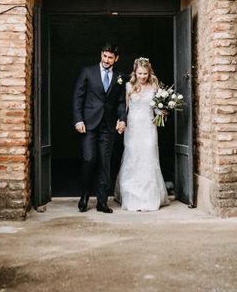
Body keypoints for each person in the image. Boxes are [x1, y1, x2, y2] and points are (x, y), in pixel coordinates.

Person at [72, 42, 127, 213]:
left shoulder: (120, 76)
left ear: (116, 59)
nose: (106, 60)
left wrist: (122, 119)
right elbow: (77, 97)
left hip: (108, 126)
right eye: (104, 56)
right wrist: (78, 119)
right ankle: (85, 196)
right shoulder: (87, 72)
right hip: (88, 125)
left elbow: (121, 102)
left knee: (105, 163)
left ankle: (102, 202)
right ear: (101, 55)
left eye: (110, 57)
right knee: (89, 159)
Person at [114, 58, 169, 211]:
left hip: (149, 126)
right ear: (135, 72)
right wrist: (121, 121)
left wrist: (162, 111)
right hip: (132, 128)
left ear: (149, 72)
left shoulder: (154, 86)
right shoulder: (128, 86)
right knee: (133, 157)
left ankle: (149, 197)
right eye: (140, 73)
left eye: (145, 73)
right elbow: (124, 108)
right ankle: (132, 196)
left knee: (149, 157)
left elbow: (157, 108)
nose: (143, 76)